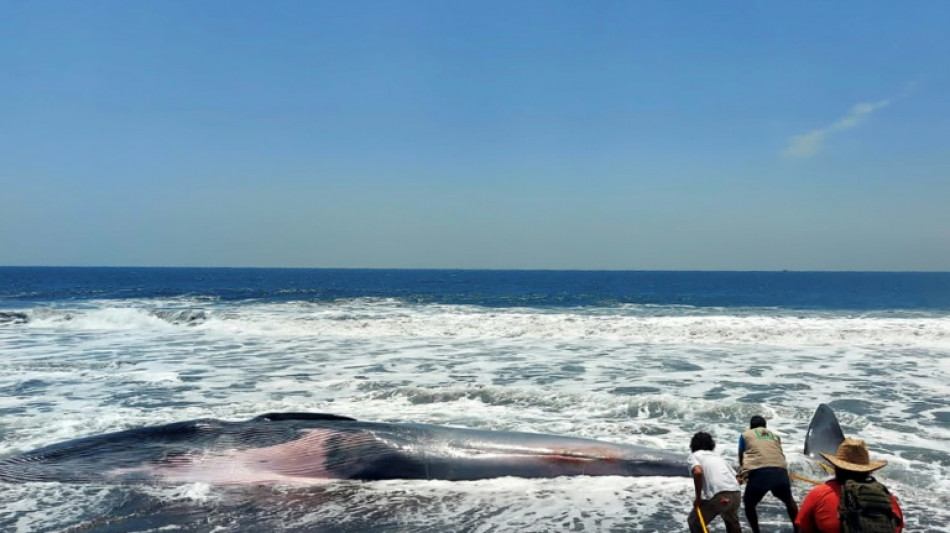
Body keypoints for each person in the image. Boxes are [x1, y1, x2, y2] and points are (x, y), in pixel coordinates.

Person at [795, 437, 904, 533]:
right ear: (869, 471)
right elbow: (898, 527)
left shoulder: (819, 494)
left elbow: (802, 529)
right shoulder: (887, 497)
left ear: (836, 467)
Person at [738, 415, 799, 533]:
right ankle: (798, 529)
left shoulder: (745, 435)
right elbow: (778, 453)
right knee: (789, 500)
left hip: (760, 473)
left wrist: (742, 473)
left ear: (751, 427)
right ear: (765, 426)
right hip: (780, 471)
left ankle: (756, 532)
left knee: (749, 504)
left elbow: (742, 456)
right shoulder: (774, 435)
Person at [687, 431, 743, 533]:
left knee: (694, 521)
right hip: (736, 494)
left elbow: (698, 472)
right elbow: (738, 479)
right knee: (731, 522)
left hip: (720, 495)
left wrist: (698, 498)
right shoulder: (718, 457)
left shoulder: (695, 456)